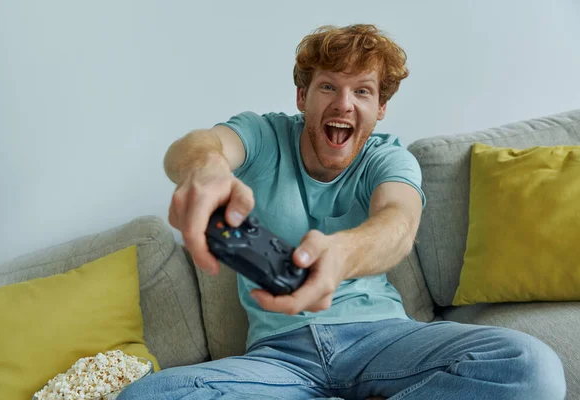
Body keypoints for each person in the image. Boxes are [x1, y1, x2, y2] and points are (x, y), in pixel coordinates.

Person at [119, 24, 565, 400]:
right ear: (302, 96)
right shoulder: (263, 134)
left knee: (532, 368)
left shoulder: (387, 159)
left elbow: (399, 219)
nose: (344, 104)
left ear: (380, 108)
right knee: (146, 395)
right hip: (279, 360)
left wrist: (343, 254)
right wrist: (206, 167)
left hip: (385, 340)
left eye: (363, 91)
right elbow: (200, 145)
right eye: (328, 86)